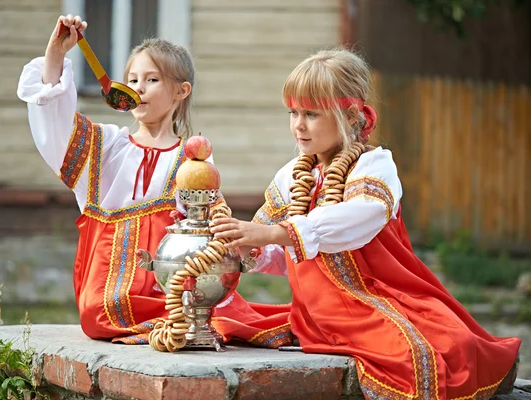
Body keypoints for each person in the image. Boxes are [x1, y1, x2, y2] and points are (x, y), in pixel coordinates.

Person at [210, 48, 521, 399]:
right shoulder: (291, 176)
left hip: (381, 296)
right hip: (319, 310)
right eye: (293, 112)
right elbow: (291, 254)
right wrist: (246, 246)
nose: (298, 124)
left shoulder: (374, 166)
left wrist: (272, 232)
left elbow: (358, 218)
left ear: (351, 114)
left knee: (445, 349)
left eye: (311, 113)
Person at [17, 15, 290, 345]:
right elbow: (54, 125)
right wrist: (56, 54)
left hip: (171, 292)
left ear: (181, 91)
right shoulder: (105, 147)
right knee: (120, 314)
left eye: (151, 80)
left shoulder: (192, 159)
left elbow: (210, 224)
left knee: (224, 317)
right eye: (132, 79)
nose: (138, 88)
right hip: (106, 293)